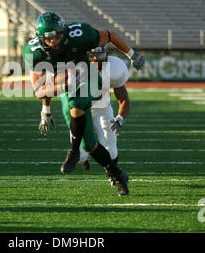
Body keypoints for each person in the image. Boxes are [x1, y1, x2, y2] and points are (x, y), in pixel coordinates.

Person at [23, 11, 145, 196]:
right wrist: (47, 108)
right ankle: (118, 174)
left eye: (57, 36)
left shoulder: (80, 35)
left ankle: (72, 151)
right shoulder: (34, 52)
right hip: (66, 88)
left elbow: (110, 35)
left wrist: (131, 54)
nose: (54, 42)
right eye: (49, 39)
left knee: (76, 103)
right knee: (89, 144)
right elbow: (40, 89)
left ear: (64, 32)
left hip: (89, 78)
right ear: (40, 39)